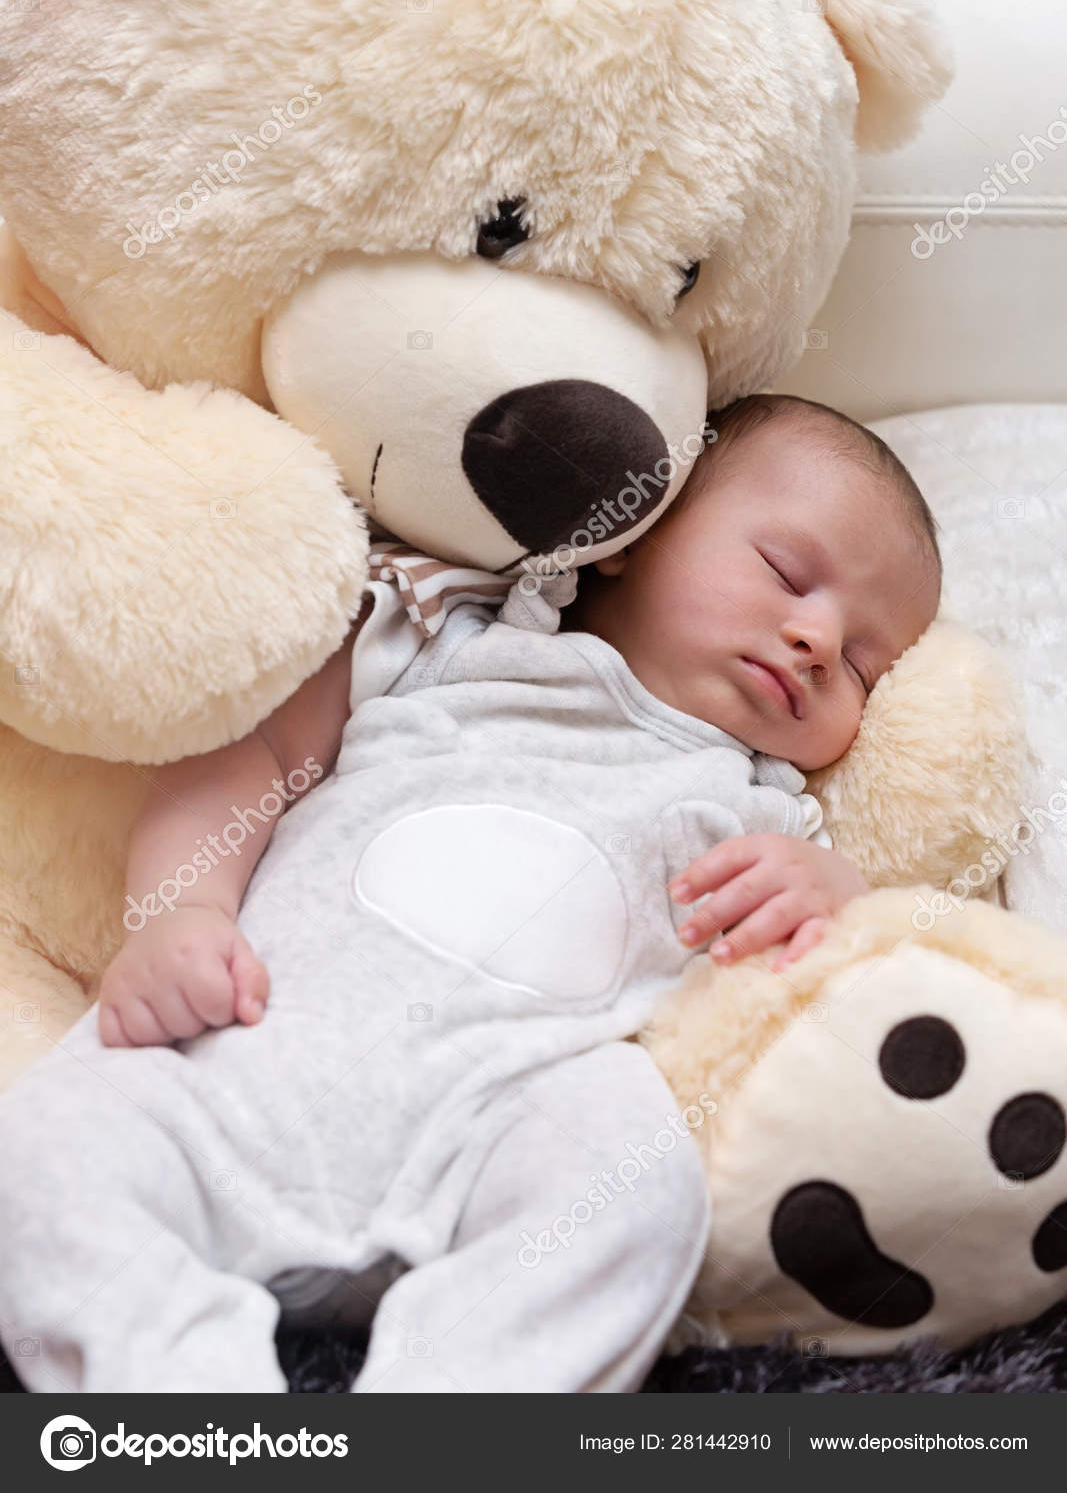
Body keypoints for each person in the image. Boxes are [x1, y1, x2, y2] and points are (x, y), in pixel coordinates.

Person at [0, 394, 941, 1394]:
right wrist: (180, 909)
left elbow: (817, 987)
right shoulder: (443, 638)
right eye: (784, 573)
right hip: (247, 1052)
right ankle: (182, 1394)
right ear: (630, 532)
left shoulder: (764, 812)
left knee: (637, 1178)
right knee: (49, 1141)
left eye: (860, 664)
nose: (813, 638)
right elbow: (253, 754)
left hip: (500, 1126)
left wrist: (835, 892)